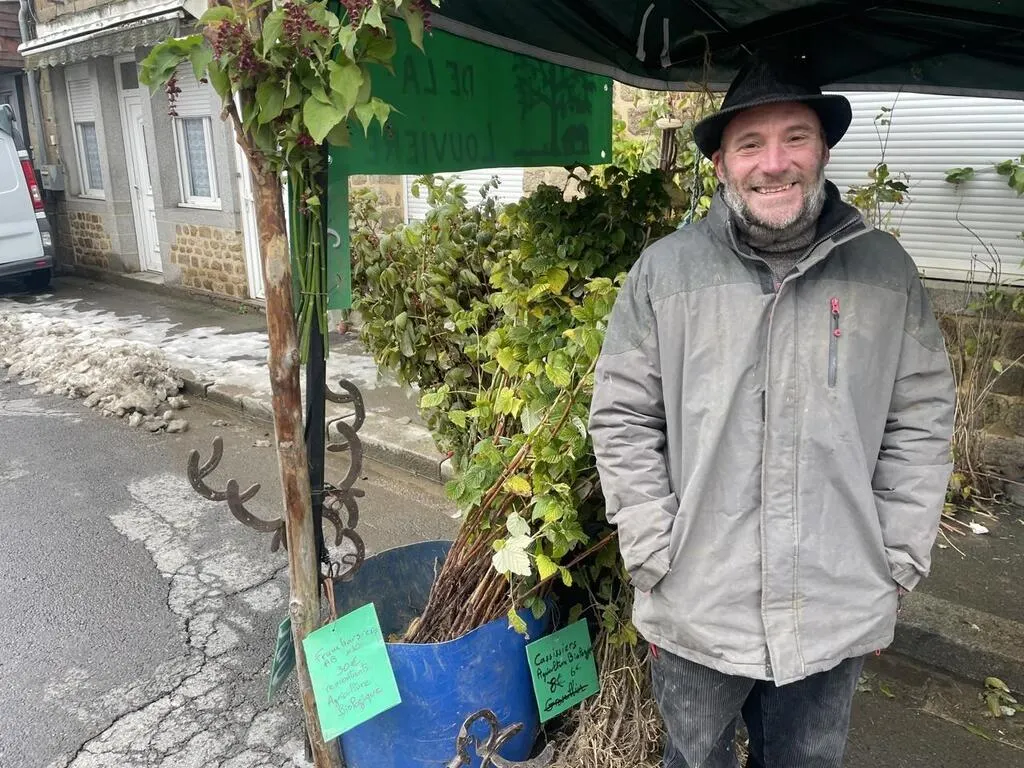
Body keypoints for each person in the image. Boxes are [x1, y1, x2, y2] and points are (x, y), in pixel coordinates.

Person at [588, 56, 956, 768]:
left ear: (824, 151)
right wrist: (654, 551)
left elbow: (921, 419)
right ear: (721, 164)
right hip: (698, 601)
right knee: (694, 758)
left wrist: (893, 562)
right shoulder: (665, 273)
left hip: (833, 602)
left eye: (796, 137)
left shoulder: (885, 272)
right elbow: (623, 417)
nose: (774, 162)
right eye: (750, 144)